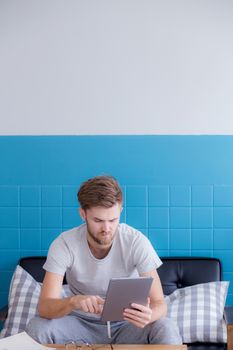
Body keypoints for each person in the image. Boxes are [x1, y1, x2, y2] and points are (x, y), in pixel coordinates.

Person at [26, 175, 182, 345]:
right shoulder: (64, 244)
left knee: (166, 327)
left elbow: (160, 303)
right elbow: (45, 307)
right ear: (83, 214)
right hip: (80, 325)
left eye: (113, 220)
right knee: (37, 327)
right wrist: (73, 302)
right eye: (98, 220)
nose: (106, 229)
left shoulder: (136, 241)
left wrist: (149, 315)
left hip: (128, 324)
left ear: (120, 211)